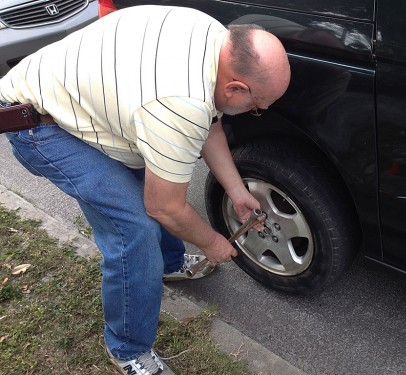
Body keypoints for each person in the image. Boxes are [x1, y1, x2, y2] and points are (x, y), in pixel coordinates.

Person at [0, 5, 290, 375]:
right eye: (257, 106)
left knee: (151, 173)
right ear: (235, 86)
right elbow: (165, 207)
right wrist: (212, 243)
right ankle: (128, 349)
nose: (256, 111)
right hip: (38, 124)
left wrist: (236, 190)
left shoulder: (216, 38)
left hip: (83, 104)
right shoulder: (180, 104)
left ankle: (166, 265)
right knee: (133, 228)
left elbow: (209, 125)